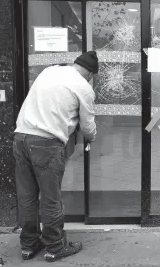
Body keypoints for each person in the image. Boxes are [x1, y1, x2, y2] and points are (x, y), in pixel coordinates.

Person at [13, 51, 98, 262]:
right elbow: (88, 126)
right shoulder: (84, 87)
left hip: (21, 137)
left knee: (27, 196)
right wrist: (92, 137)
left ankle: (29, 245)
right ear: (90, 73)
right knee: (51, 199)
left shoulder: (49, 71)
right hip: (46, 143)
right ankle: (55, 246)